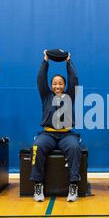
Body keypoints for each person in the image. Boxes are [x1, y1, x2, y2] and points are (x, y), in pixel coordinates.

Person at [30, 50, 81, 202]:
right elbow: (40, 78)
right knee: (36, 147)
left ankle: (73, 186)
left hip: (66, 134)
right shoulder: (46, 95)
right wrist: (45, 61)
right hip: (48, 134)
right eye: (55, 83)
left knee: (74, 148)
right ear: (51, 86)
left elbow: (74, 79)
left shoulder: (70, 95)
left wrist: (68, 63)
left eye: (60, 83)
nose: (57, 85)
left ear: (64, 86)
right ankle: (38, 185)